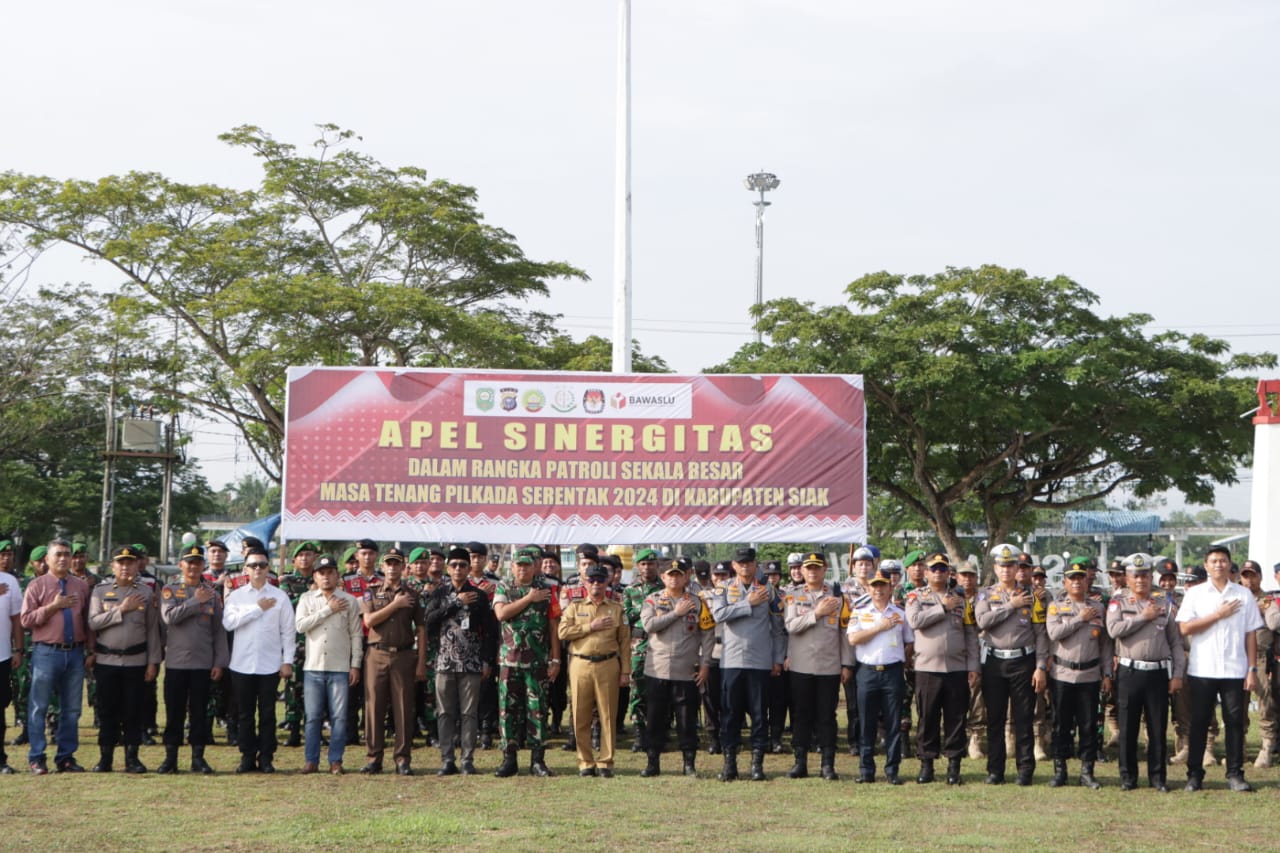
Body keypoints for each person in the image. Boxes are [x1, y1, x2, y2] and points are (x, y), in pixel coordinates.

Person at [1176, 544, 1262, 792]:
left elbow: (1250, 634)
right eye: (1213, 561)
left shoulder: (1243, 594)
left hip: (1235, 669)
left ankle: (1235, 773)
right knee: (1199, 722)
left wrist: (1252, 669)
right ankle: (1194, 775)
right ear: (1206, 565)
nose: (1218, 565)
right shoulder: (1195, 594)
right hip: (1203, 668)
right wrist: (1217, 615)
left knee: (1235, 722)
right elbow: (1185, 628)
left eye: (1223, 560)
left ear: (1229, 564)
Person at [1105, 552, 1184, 792]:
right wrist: (1143, 617)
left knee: (1157, 727)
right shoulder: (1119, 603)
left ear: (1152, 578)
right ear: (1127, 578)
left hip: (1158, 673)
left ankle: (1158, 777)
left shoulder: (1164, 604)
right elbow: (1113, 630)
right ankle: (1128, 777)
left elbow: (1175, 643)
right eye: (1135, 575)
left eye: (1145, 575)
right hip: (1130, 671)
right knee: (1128, 728)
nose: (1140, 580)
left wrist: (1177, 674)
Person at [709, 546, 786, 782]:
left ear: (755, 565)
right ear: (734, 566)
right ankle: (729, 764)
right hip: (731, 660)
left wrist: (777, 659)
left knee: (760, 714)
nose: (745, 567)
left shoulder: (768, 590)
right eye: (740, 563)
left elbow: (778, 629)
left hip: (759, 661)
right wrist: (747, 603)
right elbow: (718, 615)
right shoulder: (723, 588)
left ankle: (757, 764)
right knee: (730, 713)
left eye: (749, 563)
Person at [974, 543, 1048, 786]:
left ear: (1017, 568)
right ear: (995, 568)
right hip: (994, 661)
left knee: (1023, 718)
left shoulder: (1032, 596)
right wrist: (1011, 606)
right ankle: (995, 770)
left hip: (1023, 661)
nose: (1006, 570)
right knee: (995, 718)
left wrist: (1040, 666)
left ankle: (1025, 770)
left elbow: (1040, 633)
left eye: (1010, 565)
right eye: (1001, 565)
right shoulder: (985, 594)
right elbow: (982, 621)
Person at [19, 539, 94, 774]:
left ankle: (66, 757)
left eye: (66, 554)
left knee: (71, 709)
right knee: (38, 707)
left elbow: (87, 621)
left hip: (74, 653)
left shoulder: (81, 586)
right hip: (46, 652)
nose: (63, 558)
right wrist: (53, 607)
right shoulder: (37, 585)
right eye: (58, 554)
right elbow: (26, 620)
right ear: (47, 559)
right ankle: (37, 757)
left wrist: (91, 650)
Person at [87, 545, 162, 773]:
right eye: (121, 562)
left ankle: (132, 758)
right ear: (113, 565)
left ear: (138, 565)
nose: (125, 567)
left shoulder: (146, 593)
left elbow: (153, 630)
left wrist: (153, 662)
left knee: (133, 711)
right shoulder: (100, 591)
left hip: (136, 661)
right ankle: (105, 757)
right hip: (107, 661)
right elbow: (93, 622)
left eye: (130, 563)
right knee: (107, 711)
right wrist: (121, 609)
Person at [905, 553, 977, 785]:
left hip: (957, 667)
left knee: (956, 718)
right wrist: (942, 608)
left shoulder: (961, 598)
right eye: (934, 569)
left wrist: (973, 666)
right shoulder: (916, 596)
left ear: (949, 573)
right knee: (928, 718)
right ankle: (927, 764)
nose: (938, 573)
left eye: (942, 569)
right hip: (927, 668)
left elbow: (970, 634)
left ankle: (954, 766)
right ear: (926, 572)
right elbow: (915, 621)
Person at [639, 556, 714, 777]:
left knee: (686, 719)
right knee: (655, 718)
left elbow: (708, 634)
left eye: (678, 575)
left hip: (686, 670)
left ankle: (689, 763)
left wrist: (705, 664)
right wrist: (676, 613)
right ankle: (653, 762)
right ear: (663, 577)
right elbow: (649, 625)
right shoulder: (652, 600)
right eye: (670, 575)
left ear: (686, 577)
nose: (674, 579)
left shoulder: (698, 602)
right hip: (658, 668)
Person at [424, 547, 497, 776]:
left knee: (469, 713)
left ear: (469, 568)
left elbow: (490, 631)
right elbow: (429, 622)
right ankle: (447, 759)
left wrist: (487, 660)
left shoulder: (479, 596)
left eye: (462, 565)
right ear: (448, 568)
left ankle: (467, 759)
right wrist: (455, 602)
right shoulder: (439, 594)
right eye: (454, 565)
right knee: (445, 713)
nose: (458, 569)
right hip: (444, 662)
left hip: (471, 663)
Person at [222, 549, 294, 773]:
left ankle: (266, 757)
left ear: (268, 568)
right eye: (253, 565)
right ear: (245, 569)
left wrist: (287, 661)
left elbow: (288, 632)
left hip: (269, 664)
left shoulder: (280, 596)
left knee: (268, 714)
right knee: (244, 714)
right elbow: (229, 623)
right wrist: (257, 609)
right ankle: (247, 756)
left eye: (262, 565)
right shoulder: (237, 596)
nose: (258, 569)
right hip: (242, 664)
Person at [158, 545, 228, 774]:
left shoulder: (212, 594)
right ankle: (170, 759)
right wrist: (194, 601)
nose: (194, 566)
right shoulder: (170, 590)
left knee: (199, 713)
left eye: (198, 562)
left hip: (202, 663)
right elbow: (169, 617)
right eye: (190, 562)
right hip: (177, 663)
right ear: (181, 565)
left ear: (203, 566)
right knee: (174, 712)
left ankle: (198, 758)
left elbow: (218, 631)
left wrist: (219, 662)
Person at [492, 549, 561, 778]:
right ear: (512, 567)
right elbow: (501, 614)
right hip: (509, 661)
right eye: (519, 565)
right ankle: (509, 759)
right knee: (507, 711)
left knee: (537, 710)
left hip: (537, 661)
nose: (523, 569)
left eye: (527, 565)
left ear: (534, 567)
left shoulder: (547, 589)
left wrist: (555, 658)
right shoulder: (504, 587)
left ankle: (537, 760)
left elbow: (553, 625)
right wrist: (529, 598)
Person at [358, 547, 427, 775]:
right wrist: (395, 605)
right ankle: (374, 757)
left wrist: (421, 662)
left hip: (404, 655)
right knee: (374, 708)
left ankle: (402, 759)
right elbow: (369, 621)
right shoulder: (371, 591)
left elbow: (421, 629)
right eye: (389, 563)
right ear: (383, 566)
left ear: (403, 567)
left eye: (397, 564)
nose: (392, 568)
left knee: (403, 708)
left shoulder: (413, 594)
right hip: (376, 654)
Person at [783, 552, 851, 781]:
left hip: (829, 666)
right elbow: (791, 626)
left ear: (824, 570)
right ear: (802, 571)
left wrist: (846, 664)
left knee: (827, 717)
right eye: (808, 568)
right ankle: (800, 762)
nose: (812, 572)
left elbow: (844, 632)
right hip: (801, 665)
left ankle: (827, 764)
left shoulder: (838, 597)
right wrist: (817, 613)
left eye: (817, 567)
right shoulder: (793, 596)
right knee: (801, 715)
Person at [558, 562, 630, 777]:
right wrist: (590, 627)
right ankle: (585, 762)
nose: (596, 584)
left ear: (607, 582)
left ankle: (606, 762)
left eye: (600, 580)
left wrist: (625, 672)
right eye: (592, 580)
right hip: (581, 664)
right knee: (580, 715)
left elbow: (624, 642)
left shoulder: (616, 608)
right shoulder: (575, 607)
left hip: (608, 664)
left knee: (608, 715)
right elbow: (563, 632)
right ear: (585, 582)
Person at [1044, 562, 1111, 789]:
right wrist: (1079, 618)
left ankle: (1087, 772)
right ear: (1064, 582)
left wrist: (1107, 673)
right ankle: (1060, 771)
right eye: (1072, 578)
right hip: (1062, 674)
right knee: (1061, 725)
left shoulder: (1098, 608)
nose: (1076, 582)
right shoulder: (1056, 607)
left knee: (1088, 725)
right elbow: (1054, 633)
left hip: (1090, 675)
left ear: (1087, 580)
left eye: (1080, 577)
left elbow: (1105, 645)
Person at [293, 554, 362, 774]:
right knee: (312, 717)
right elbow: (300, 626)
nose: (326, 577)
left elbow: (356, 634)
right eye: (321, 573)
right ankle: (311, 760)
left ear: (337, 575)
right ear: (315, 576)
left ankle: (335, 760)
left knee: (339, 718)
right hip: (313, 667)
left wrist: (355, 664)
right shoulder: (307, 599)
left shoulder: (349, 600)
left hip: (339, 667)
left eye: (330, 572)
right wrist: (327, 610)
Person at [847, 568, 914, 784]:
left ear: (890, 587)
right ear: (868, 589)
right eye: (874, 586)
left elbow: (909, 642)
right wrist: (879, 627)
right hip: (867, 672)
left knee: (893, 723)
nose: (878, 590)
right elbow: (853, 639)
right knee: (866, 723)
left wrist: (902, 660)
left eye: (882, 585)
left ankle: (892, 770)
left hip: (892, 672)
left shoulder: (900, 613)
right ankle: (866, 770)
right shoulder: (859, 612)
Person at [622, 548, 664, 753]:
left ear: (657, 565)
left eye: (651, 564)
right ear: (638, 566)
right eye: (643, 564)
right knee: (637, 689)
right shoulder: (630, 590)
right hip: (638, 645)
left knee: (660, 690)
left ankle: (658, 733)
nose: (647, 568)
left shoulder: (665, 587)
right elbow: (625, 616)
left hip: (661, 643)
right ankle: (639, 733)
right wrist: (647, 607)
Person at [1238, 560, 1276, 767]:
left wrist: (1260, 610)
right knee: (1237, 703)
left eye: (1252, 575)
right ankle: (1239, 748)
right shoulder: (1235, 598)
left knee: (1265, 702)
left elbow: (1273, 622)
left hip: (1261, 657)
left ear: (1260, 577)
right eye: (1245, 576)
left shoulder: (1267, 599)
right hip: (1237, 657)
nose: (1249, 580)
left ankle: (1266, 747)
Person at [0, 540, 22, 774]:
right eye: (1, 554)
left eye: (8, 554)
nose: (5, 558)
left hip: (2, 655)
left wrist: (19, 649)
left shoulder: (10, 581)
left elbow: (17, 619)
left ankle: (0, 759)